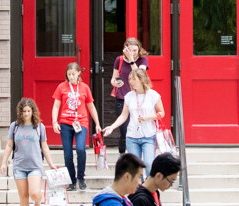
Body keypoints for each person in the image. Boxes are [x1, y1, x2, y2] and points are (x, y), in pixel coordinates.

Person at [1, 98, 57, 206]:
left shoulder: (39, 127)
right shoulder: (14, 126)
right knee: (23, 196)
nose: (26, 114)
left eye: (28, 111)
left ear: (33, 112)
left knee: (34, 193)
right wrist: (4, 162)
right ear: (20, 112)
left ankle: (38, 204)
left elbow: (44, 146)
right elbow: (9, 145)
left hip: (35, 165)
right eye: (24, 111)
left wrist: (50, 163)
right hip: (19, 166)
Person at [52, 62, 102, 191]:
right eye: (69, 74)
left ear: (79, 73)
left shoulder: (84, 87)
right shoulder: (61, 87)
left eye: (73, 74)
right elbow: (56, 106)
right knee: (67, 153)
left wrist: (97, 123)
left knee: (80, 149)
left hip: (81, 122)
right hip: (66, 122)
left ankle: (81, 177)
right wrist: (54, 122)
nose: (71, 77)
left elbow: (91, 106)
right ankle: (71, 180)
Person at [102, 68, 164, 169]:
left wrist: (148, 117)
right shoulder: (128, 96)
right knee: (135, 167)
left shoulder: (153, 95)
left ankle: (148, 184)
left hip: (148, 136)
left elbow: (162, 113)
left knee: (149, 164)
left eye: (133, 79)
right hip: (132, 137)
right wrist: (112, 127)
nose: (130, 82)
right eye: (129, 79)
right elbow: (123, 115)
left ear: (142, 79)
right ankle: (138, 184)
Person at [107, 39, 149, 154]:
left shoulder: (143, 60)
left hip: (139, 99)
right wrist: (114, 82)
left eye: (135, 50)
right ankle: (122, 155)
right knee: (124, 130)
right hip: (122, 98)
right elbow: (113, 78)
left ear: (139, 49)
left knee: (139, 128)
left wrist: (131, 61)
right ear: (124, 49)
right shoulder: (119, 60)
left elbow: (140, 76)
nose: (132, 53)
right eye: (129, 51)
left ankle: (136, 155)